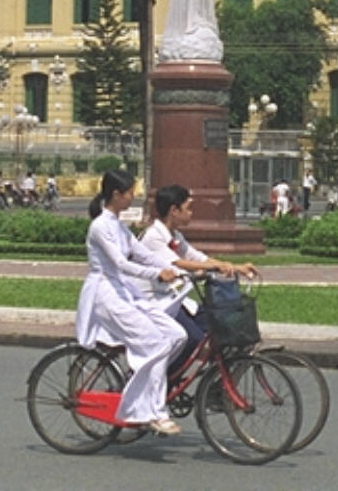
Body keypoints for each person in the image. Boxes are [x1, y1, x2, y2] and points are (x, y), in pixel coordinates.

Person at [76, 170, 187, 437]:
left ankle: (142, 389)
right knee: (156, 343)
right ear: (116, 194)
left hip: (124, 292)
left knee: (176, 335)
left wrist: (178, 269)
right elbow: (121, 264)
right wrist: (157, 274)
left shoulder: (119, 226)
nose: (133, 197)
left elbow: (144, 255)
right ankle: (153, 412)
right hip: (106, 295)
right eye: (129, 192)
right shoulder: (100, 227)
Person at [140, 184, 257, 377]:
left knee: (223, 328)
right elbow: (178, 263)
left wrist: (235, 267)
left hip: (175, 301)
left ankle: (216, 385)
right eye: (188, 208)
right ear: (174, 210)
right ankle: (161, 380)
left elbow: (198, 258)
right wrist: (213, 268)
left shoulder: (175, 236)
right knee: (192, 338)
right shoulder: (153, 237)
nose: (191, 213)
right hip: (154, 303)